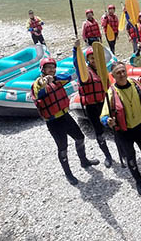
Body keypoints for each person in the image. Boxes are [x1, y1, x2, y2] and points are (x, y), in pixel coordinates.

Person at [31, 57, 99, 185]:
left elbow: (68, 77)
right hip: (53, 122)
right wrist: (44, 81)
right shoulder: (37, 84)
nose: (51, 70)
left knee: (80, 138)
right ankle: (68, 173)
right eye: (48, 67)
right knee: (62, 148)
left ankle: (83, 161)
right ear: (42, 69)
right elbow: (39, 87)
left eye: (53, 67)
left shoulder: (57, 80)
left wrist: (54, 78)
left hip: (65, 116)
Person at [101, 62, 141, 196]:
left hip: (139, 127)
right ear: (113, 76)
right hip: (124, 132)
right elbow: (103, 115)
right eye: (118, 73)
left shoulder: (134, 84)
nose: (122, 74)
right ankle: (139, 182)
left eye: (123, 71)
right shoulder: (111, 93)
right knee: (131, 159)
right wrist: (108, 121)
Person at [75, 42, 116, 167]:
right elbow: (77, 65)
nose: (94, 60)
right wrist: (75, 49)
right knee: (99, 132)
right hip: (92, 107)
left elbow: (109, 89)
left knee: (114, 128)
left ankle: (123, 152)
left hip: (104, 104)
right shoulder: (84, 73)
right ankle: (108, 156)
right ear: (87, 60)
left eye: (96, 58)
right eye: (91, 58)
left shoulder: (103, 71)